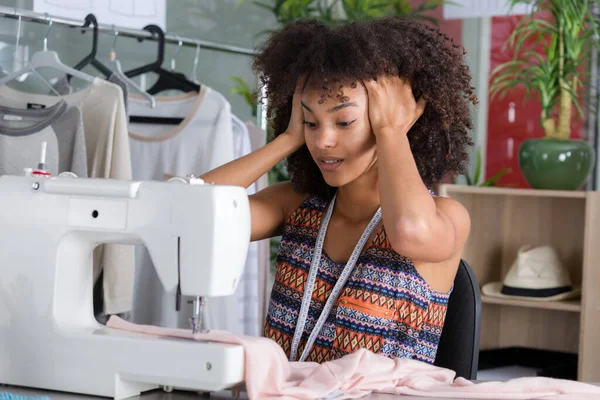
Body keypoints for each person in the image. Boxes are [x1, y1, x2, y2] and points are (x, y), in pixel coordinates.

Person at [195, 17, 475, 364]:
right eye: (311, 122)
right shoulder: (296, 206)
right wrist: (286, 140)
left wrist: (390, 132)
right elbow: (189, 212)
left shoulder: (446, 218)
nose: (323, 140)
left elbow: (407, 232)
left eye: (344, 122)